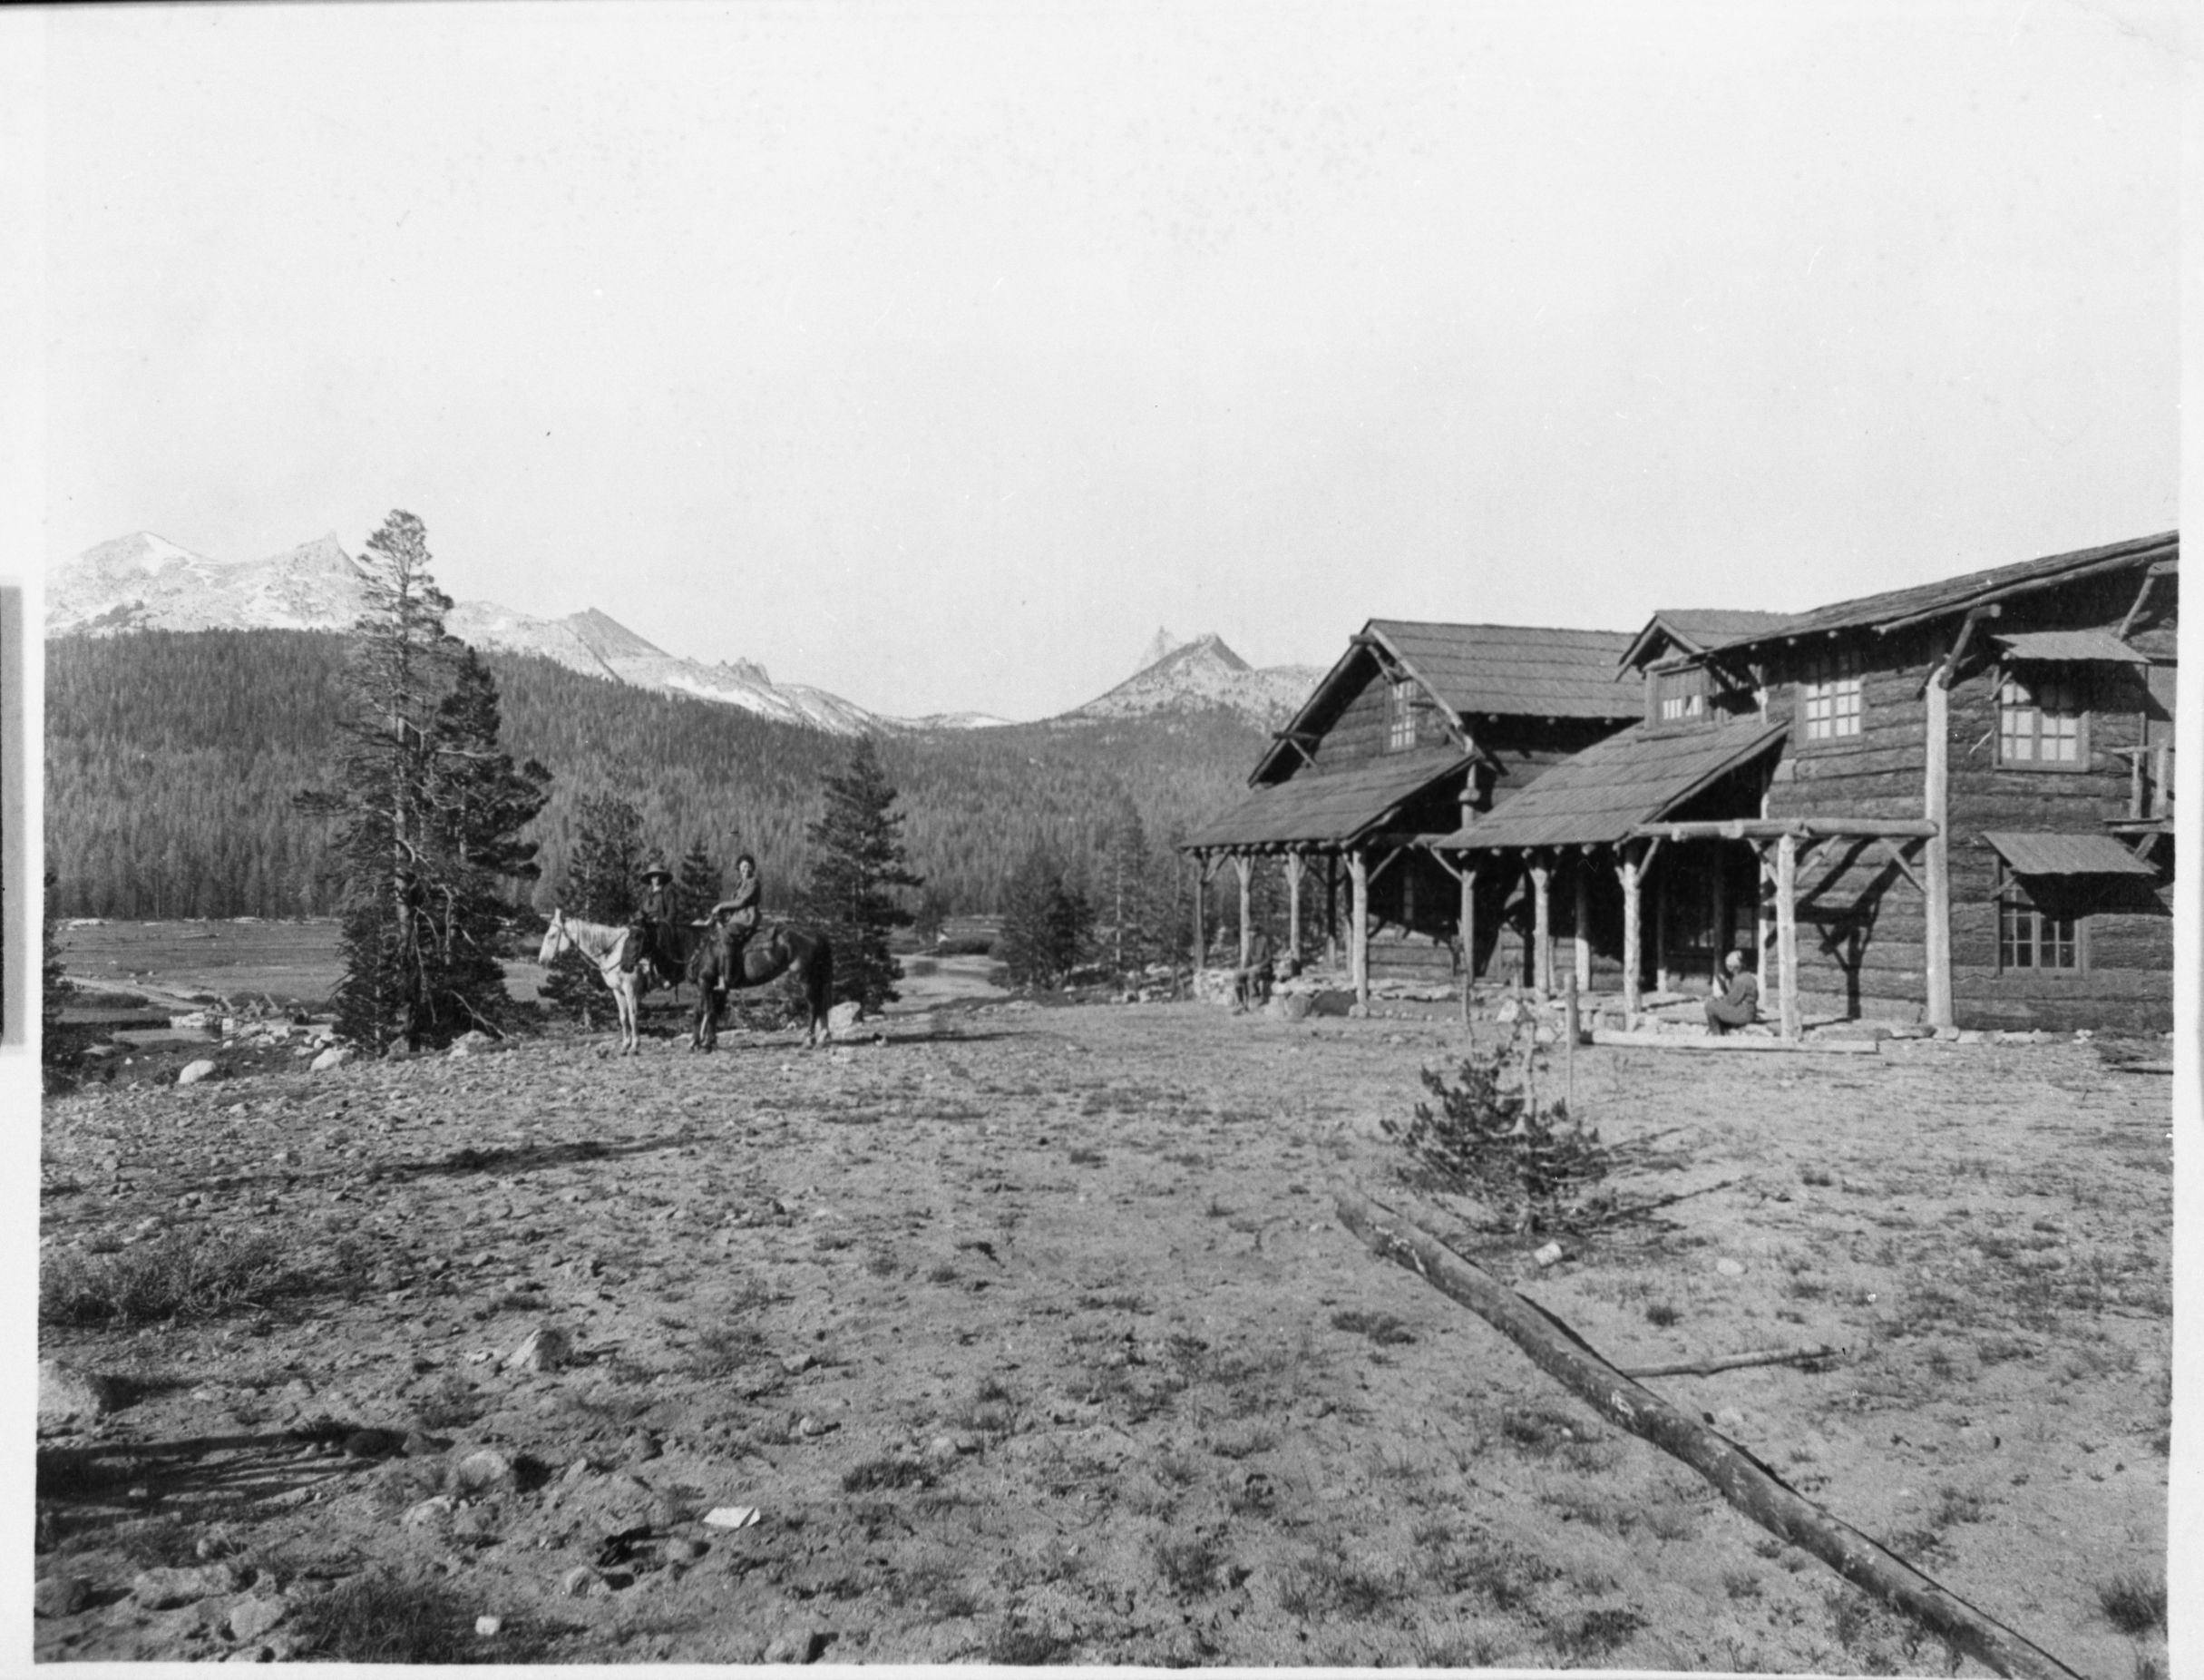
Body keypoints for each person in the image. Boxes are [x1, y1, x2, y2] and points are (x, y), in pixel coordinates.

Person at [711, 854, 764, 978]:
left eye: (749, 867)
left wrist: (721, 906)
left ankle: (728, 975)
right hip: (736, 917)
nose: (746, 870)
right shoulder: (740, 883)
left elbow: (742, 902)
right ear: (739, 869)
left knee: (726, 934)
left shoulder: (754, 882)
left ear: (753, 868)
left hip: (746, 918)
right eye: (743, 867)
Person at [621, 865, 676, 974]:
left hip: (661, 925)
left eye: (658, 877)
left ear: (662, 878)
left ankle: (661, 971)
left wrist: (662, 922)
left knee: (656, 941)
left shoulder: (667, 891)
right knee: (633, 936)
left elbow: (672, 911)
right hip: (646, 924)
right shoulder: (647, 893)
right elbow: (641, 910)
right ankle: (630, 963)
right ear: (650, 879)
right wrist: (637, 918)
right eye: (653, 877)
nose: (656, 879)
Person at [1704, 948, 1760, 1035]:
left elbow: (1731, 1001)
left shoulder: (1739, 980)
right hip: (1750, 1011)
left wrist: (1716, 1000)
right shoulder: (1750, 977)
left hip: (1743, 1014)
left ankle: (1717, 1035)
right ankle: (1725, 1030)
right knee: (1717, 1006)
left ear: (1732, 967)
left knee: (1709, 1007)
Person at [1233, 926, 1276, 1012]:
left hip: (1265, 969)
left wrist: (1259, 966)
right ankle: (1241, 1003)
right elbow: (1249, 956)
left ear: (1256, 931)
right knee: (1237, 975)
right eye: (1249, 932)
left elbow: (1269, 958)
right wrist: (1244, 968)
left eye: (1251, 931)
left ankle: (1255, 1002)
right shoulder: (1251, 940)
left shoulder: (1264, 940)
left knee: (1252, 974)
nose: (1250, 933)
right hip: (1253, 968)